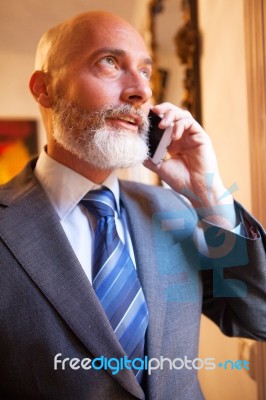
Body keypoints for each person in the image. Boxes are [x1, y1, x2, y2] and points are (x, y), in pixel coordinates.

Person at [0, 10, 265, 400]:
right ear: (45, 89)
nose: (139, 91)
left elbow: (258, 317)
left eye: (146, 72)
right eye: (109, 62)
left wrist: (209, 195)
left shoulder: (175, 210)